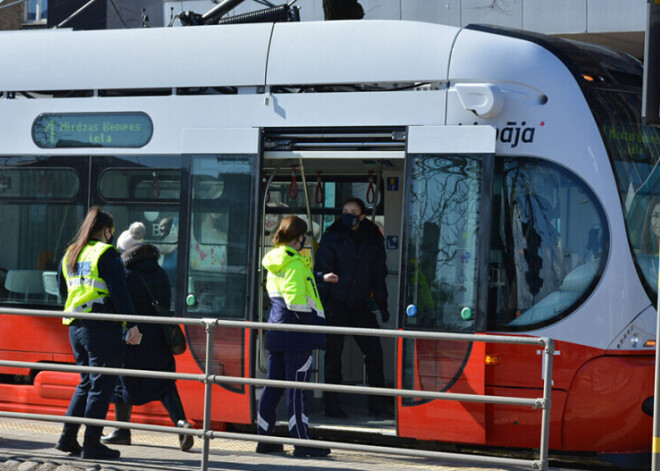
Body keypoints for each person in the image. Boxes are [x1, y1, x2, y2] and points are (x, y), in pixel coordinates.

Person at [54, 207, 141, 460]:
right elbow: (119, 291)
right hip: (100, 327)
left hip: (76, 327)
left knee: (86, 383)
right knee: (101, 386)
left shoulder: (71, 253)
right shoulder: (106, 252)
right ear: (106, 231)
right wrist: (131, 325)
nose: (112, 236)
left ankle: (67, 438)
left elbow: (63, 290)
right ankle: (92, 444)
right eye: (111, 232)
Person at [102, 235, 194, 452]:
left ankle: (122, 431)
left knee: (122, 384)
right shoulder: (160, 273)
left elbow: (121, 304)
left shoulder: (126, 275)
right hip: (159, 339)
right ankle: (181, 424)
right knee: (164, 384)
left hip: (133, 339)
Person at [257, 215, 331, 458]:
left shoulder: (277, 258)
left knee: (274, 387)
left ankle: (264, 438)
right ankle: (302, 441)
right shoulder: (295, 263)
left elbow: (295, 285)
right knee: (296, 389)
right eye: (304, 236)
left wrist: (320, 277)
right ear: (299, 237)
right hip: (296, 335)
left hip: (277, 332)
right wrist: (313, 327)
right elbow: (295, 299)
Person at [314, 197, 391, 419]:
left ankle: (377, 404)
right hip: (336, 302)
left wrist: (382, 305)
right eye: (345, 210)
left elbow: (379, 274)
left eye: (353, 211)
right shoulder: (332, 235)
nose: (349, 214)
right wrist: (322, 306)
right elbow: (322, 269)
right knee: (333, 356)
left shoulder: (373, 237)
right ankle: (332, 404)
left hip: (360, 303)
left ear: (363, 215)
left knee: (374, 353)